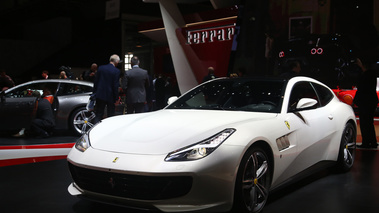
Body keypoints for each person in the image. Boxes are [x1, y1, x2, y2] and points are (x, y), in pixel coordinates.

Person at [353, 58, 378, 149]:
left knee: (365, 123)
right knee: (368, 123)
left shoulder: (367, 75)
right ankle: (372, 142)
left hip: (366, 101)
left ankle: (367, 142)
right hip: (370, 101)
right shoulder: (371, 74)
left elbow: (361, 89)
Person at [93, 54, 121, 122]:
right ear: (116, 62)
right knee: (110, 115)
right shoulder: (116, 71)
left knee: (99, 114)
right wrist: (116, 97)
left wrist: (94, 93)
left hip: (100, 94)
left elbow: (96, 82)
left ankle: (95, 129)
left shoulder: (101, 68)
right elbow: (115, 85)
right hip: (110, 95)